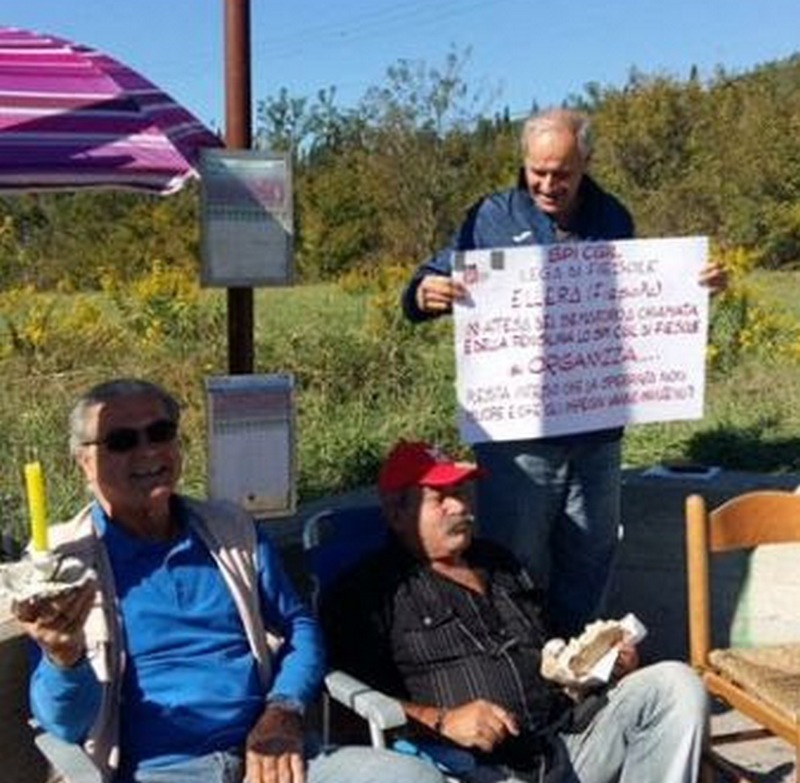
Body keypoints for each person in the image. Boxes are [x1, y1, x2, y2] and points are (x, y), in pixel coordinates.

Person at [12, 379, 445, 783]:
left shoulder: (230, 530)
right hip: (158, 771)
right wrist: (64, 659)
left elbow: (298, 626)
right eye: (122, 441)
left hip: (272, 754)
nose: (148, 452)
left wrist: (284, 707)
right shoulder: (64, 562)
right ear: (84, 462)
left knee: (412, 776)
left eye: (161, 432)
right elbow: (65, 725)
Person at [401, 107, 727, 636]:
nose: (548, 184)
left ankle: (581, 667)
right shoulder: (490, 217)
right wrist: (423, 292)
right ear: (524, 163)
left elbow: (641, 296)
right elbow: (428, 279)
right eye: (538, 171)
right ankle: (523, 668)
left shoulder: (614, 217)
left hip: (597, 434)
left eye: (562, 173)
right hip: (518, 440)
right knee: (514, 559)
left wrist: (694, 287)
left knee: (592, 553)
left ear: (586, 163)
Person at [322, 440, 708, 783]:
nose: (460, 506)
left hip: (564, 743)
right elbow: (349, 709)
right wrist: (441, 720)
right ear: (396, 513)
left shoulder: (499, 562)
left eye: (462, 491)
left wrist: (599, 666)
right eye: (440, 497)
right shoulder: (370, 592)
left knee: (675, 685)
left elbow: (551, 653)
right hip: (471, 767)